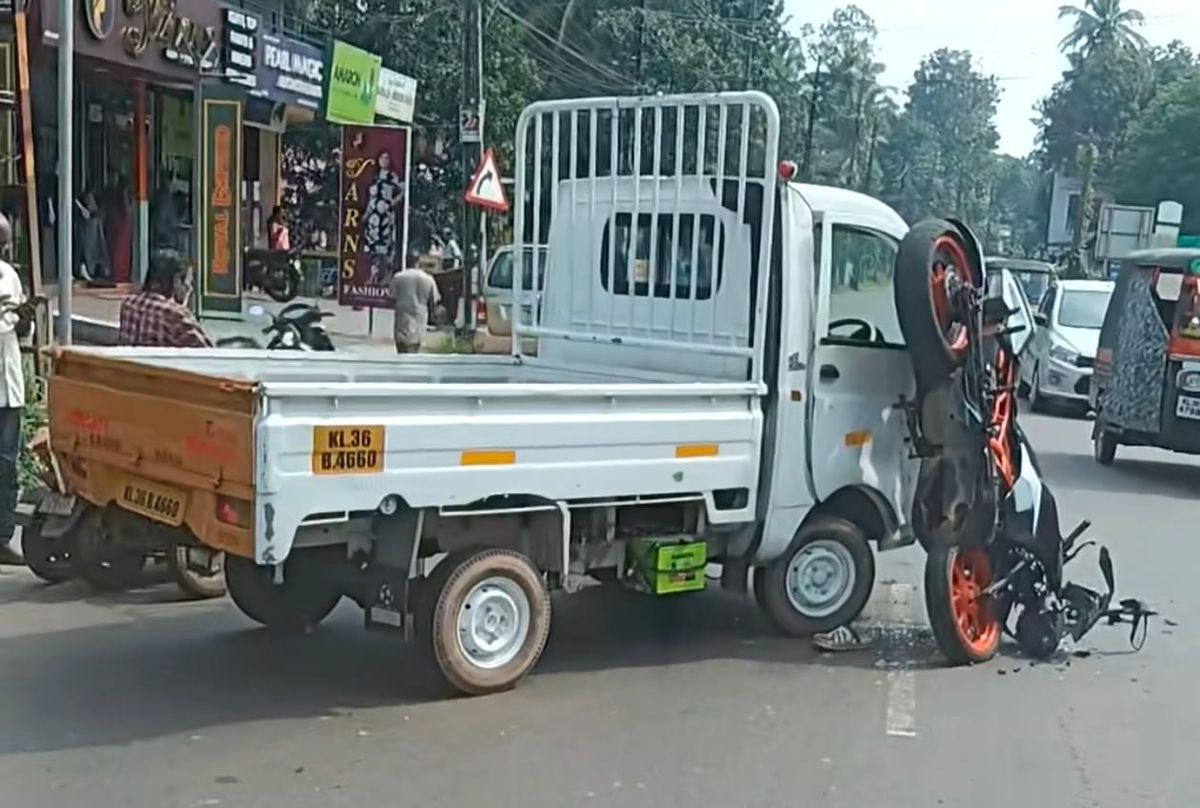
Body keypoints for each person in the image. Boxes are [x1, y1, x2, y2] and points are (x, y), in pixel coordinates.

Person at [0, 213, 32, 566]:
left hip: (8, 387)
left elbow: (21, 333)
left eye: (5, 242)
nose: (4, 248)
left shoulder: (9, 275)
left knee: (6, 466)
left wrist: (24, 319)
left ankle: (3, 537)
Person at [117, 250, 212, 348]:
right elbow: (208, 352)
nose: (190, 289)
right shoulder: (175, 315)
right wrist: (183, 307)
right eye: (188, 283)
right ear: (176, 280)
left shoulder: (128, 304)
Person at [364, 150, 405, 286]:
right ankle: (373, 276)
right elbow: (371, 198)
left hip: (385, 217)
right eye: (382, 157)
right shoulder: (374, 177)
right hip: (373, 217)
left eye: (387, 158)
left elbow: (403, 191)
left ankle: (387, 277)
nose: (384, 160)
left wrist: (391, 203)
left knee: (386, 248)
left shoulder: (392, 177)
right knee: (372, 248)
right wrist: (366, 214)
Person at [389, 249, 441, 354]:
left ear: (407, 260)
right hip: (419, 319)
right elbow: (434, 301)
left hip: (402, 319)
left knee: (402, 350)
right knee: (415, 349)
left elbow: (392, 297)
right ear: (418, 261)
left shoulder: (398, 277)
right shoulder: (428, 279)